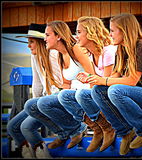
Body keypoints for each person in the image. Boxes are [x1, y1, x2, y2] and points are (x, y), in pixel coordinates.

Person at [86, 13, 142, 155]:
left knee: (115, 91)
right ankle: (125, 132)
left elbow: (132, 80)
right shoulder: (122, 48)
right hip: (138, 94)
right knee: (98, 90)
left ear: (124, 30)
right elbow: (116, 76)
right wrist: (94, 79)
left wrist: (105, 81)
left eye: (112, 30)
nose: (110, 34)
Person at [25, 20, 95, 151]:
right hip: (68, 95)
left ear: (58, 36)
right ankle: (65, 133)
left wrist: (90, 103)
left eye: (47, 35)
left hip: (83, 95)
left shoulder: (76, 49)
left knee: (43, 103)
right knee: (31, 105)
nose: (44, 39)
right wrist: (56, 98)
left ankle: (77, 130)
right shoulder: (61, 55)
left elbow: (93, 76)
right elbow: (65, 84)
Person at [7, 23, 71, 158]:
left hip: (52, 103)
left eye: (31, 42)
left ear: (41, 42)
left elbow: (61, 84)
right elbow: (37, 83)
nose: (28, 46)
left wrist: (41, 103)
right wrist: (33, 106)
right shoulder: (35, 56)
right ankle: (31, 154)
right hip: (40, 102)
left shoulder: (53, 55)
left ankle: (42, 154)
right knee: (12, 126)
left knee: (26, 127)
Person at [58, 16, 117, 152]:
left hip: (110, 94)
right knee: (64, 96)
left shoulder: (108, 51)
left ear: (90, 33)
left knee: (81, 94)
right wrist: (87, 77)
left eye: (79, 32)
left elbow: (106, 84)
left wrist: (91, 78)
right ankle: (97, 127)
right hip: (100, 93)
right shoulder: (91, 55)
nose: (76, 36)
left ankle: (108, 127)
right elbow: (97, 79)